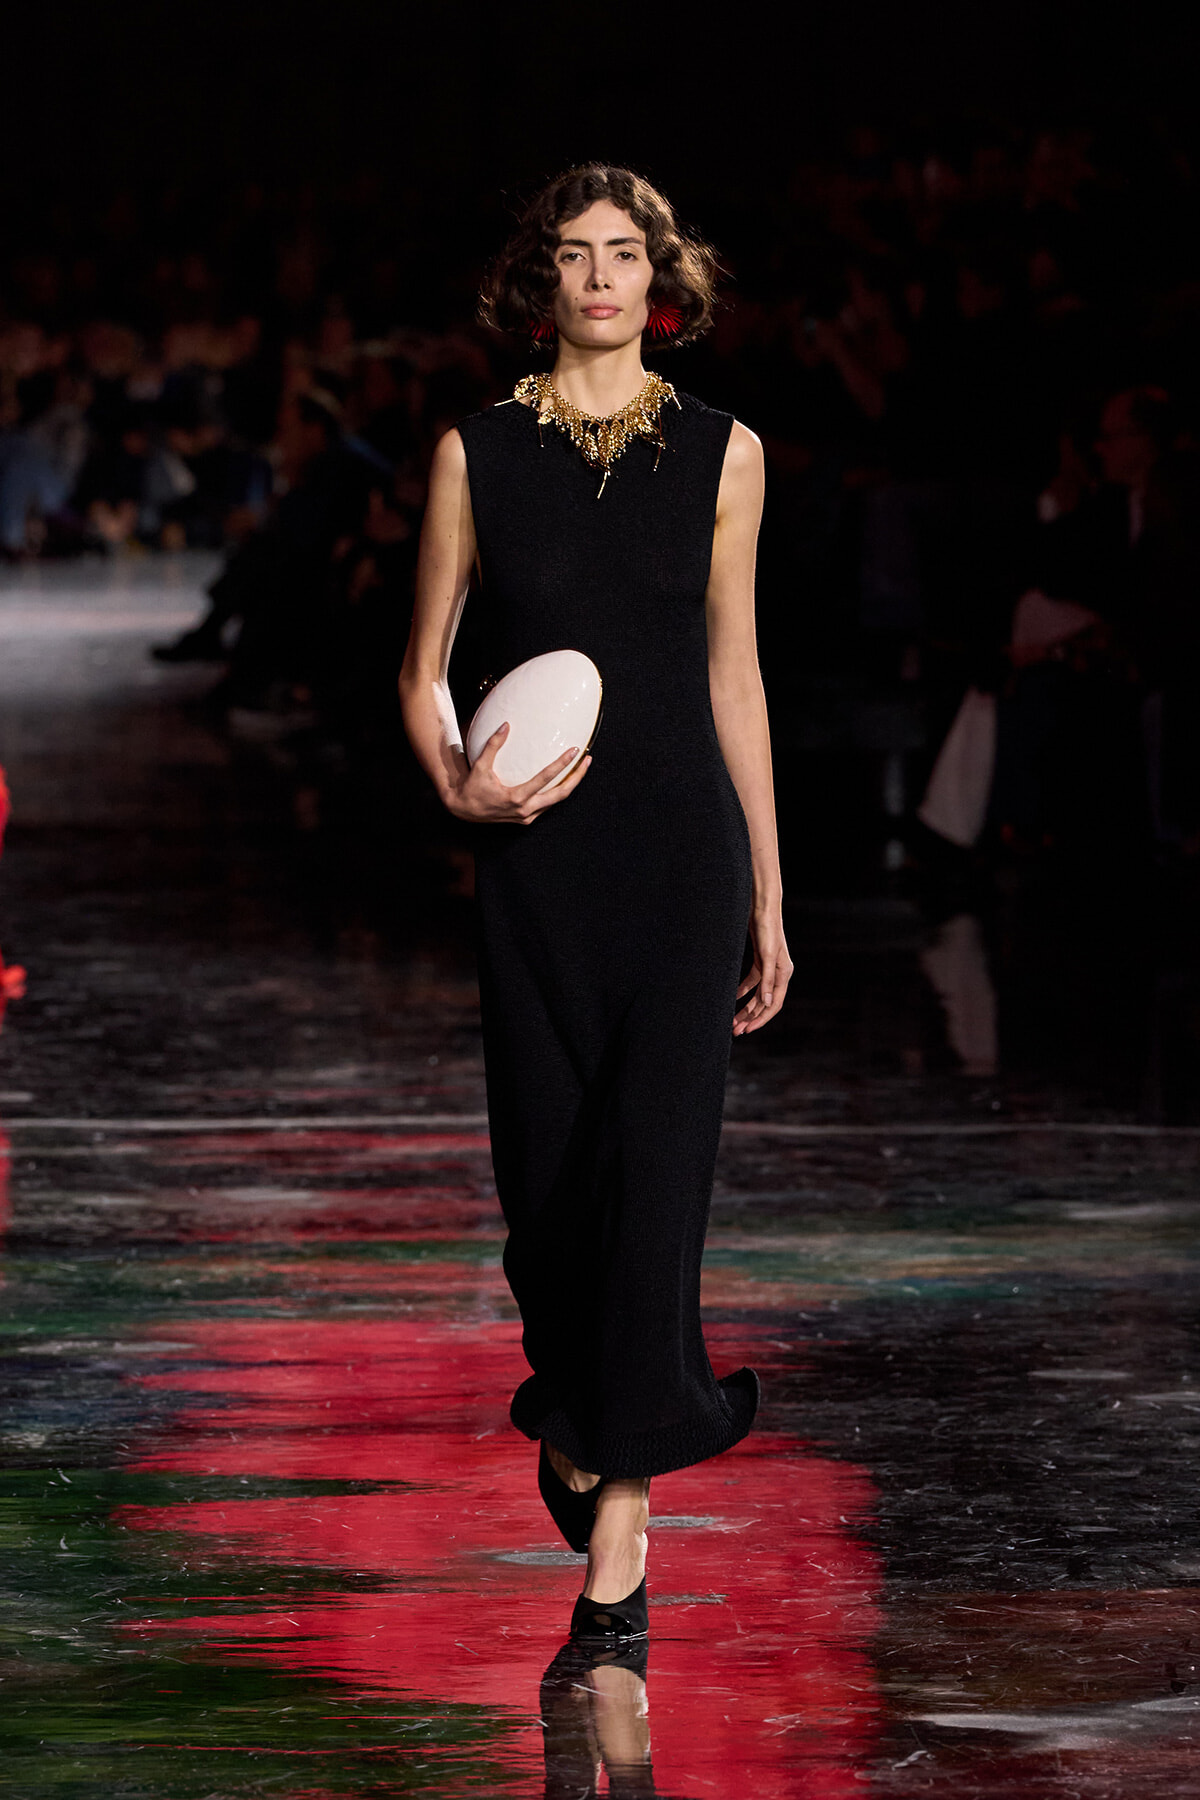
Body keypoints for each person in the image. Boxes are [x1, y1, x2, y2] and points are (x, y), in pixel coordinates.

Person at [399, 164, 791, 1641]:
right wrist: (457, 786)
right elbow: (423, 665)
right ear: (541, 281)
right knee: (550, 1203)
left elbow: (735, 678)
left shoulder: (727, 453)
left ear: (662, 277)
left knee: (659, 1192)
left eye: (625, 253)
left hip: (684, 857)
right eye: (576, 256)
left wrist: (769, 887)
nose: (603, 279)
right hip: (539, 866)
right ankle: (578, 1402)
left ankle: (620, 1539)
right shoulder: (476, 452)